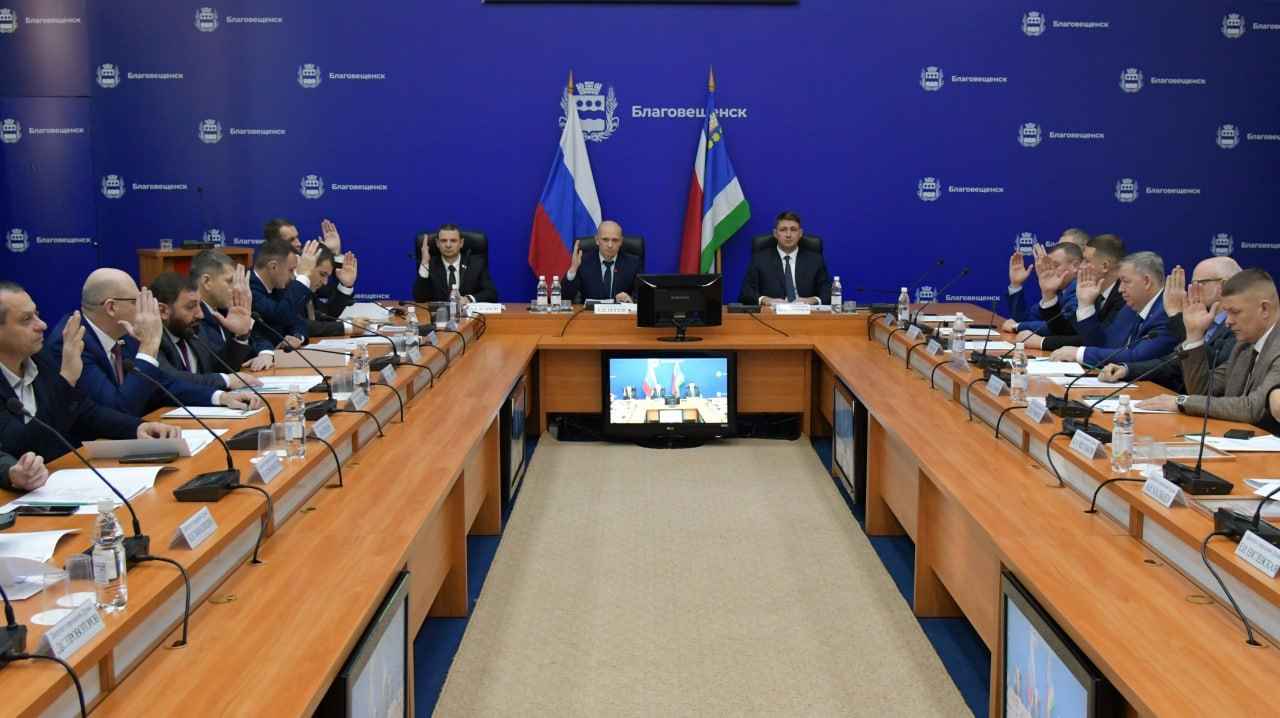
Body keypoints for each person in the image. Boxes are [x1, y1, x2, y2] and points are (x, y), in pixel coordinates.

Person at [0, 281, 179, 472]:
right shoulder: (54, 352)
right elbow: (20, 445)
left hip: (58, 474)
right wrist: (67, 378)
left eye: (37, 315)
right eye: (26, 319)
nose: (42, 325)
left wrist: (137, 428)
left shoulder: (39, 359)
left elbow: (85, 412)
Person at [44, 269, 259, 415]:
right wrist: (148, 347)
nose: (145, 309)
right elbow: (117, 408)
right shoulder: (73, 343)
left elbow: (163, 384)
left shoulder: (123, 334)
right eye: (137, 301)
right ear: (111, 307)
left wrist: (219, 397)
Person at [1138, 268, 1280, 425]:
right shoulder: (1244, 347)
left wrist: (1181, 401)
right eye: (1227, 313)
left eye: (1235, 312)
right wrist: (1194, 336)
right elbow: (1203, 392)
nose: (1228, 322)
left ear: (1264, 309)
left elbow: (1253, 408)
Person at [1099, 257, 1241, 392]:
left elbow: (1211, 362)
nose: (1191, 290)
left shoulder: (1238, 326)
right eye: (1192, 284)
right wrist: (1126, 370)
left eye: (1199, 283)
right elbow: (1173, 363)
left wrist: (1177, 316)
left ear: (1224, 285)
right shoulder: (1202, 318)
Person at [1048, 251, 1177, 365]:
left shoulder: (1167, 313)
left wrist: (1079, 353)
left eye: (1126, 281)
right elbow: (1103, 345)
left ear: (1147, 281)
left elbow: (1137, 357)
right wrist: (1085, 304)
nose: (1120, 289)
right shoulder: (1129, 310)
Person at [149, 272, 263, 391]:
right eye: (191, 306)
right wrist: (226, 380)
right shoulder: (152, 341)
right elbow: (171, 379)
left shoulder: (193, 331)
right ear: (163, 311)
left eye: (199, 305)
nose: (201, 314)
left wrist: (241, 336)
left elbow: (219, 369)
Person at [1028, 234, 1130, 353]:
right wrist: (1049, 294)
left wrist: (1043, 342)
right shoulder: (1094, 291)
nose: (1080, 266)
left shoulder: (1126, 297)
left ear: (1105, 266)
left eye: (1086, 261)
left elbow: (1102, 343)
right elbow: (1067, 331)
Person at [190, 249, 270, 371]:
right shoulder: (194, 318)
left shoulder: (226, 310)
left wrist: (265, 353)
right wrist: (241, 338)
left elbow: (258, 338)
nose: (236, 288)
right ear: (206, 282)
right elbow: (219, 366)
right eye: (229, 281)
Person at [739, 211, 831, 306]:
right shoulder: (760, 259)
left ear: (800, 233)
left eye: (793, 230)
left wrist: (812, 300)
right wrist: (765, 300)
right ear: (775, 233)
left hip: (806, 312)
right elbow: (746, 293)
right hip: (772, 312)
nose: (788, 235)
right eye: (783, 230)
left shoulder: (815, 260)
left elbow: (828, 292)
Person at [250, 237, 316, 352]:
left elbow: (298, 320)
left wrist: (297, 337)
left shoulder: (278, 286)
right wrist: (303, 276)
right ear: (273, 267)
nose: (293, 277)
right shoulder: (249, 288)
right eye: (291, 270)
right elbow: (281, 315)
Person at [1003, 241, 1084, 334]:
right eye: (1049, 265)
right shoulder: (1059, 291)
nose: (1050, 271)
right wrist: (1016, 284)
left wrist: (1017, 326)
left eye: (1056, 265)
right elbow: (1025, 319)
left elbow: (1063, 329)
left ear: (1075, 266)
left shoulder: (1080, 290)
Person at [412, 224, 499, 304]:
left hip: (468, 314)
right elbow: (420, 298)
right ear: (437, 243)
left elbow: (491, 294)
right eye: (443, 241)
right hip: (439, 314)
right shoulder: (430, 265)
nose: (448, 245)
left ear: (461, 243)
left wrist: (468, 299)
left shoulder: (476, 264)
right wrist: (425, 262)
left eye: (453, 241)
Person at [563, 221, 639, 303]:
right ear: (597, 240)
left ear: (621, 241)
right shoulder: (583, 262)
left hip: (621, 311)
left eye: (615, 240)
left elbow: (641, 298)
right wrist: (573, 269)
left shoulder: (633, 263)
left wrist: (630, 300)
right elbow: (565, 297)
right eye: (605, 239)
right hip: (590, 311)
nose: (610, 245)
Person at [302, 247, 363, 337]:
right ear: (306, 267)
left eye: (327, 276)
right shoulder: (288, 288)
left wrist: (345, 285)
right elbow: (301, 324)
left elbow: (327, 315)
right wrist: (347, 327)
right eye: (322, 274)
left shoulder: (308, 291)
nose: (325, 282)